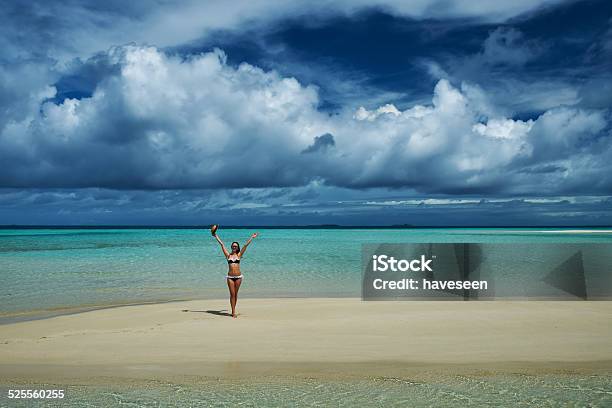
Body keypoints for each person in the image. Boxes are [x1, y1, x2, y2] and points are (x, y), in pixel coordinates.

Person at [211, 225, 258, 318]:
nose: (234, 247)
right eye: (233, 246)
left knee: (236, 294)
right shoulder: (228, 255)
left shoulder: (239, 255)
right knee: (232, 294)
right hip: (230, 277)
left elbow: (245, 245)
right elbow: (222, 244)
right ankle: (233, 312)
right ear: (231, 247)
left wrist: (252, 237)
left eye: (236, 246)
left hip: (239, 277)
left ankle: (234, 310)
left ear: (237, 248)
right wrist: (215, 235)